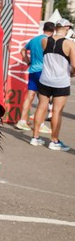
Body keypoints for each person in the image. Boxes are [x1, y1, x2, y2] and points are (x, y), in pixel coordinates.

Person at [30, 18, 75, 151]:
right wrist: (72, 73)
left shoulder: (45, 41)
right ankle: (54, 140)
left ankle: (35, 137)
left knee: (41, 107)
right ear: (66, 28)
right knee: (57, 111)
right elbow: (74, 65)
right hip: (61, 81)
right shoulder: (70, 44)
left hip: (45, 79)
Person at [16, 21, 55, 131]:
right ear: (53, 31)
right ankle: (40, 124)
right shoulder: (49, 41)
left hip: (33, 70)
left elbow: (23, 50)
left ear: (44, 29)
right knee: (44, 99)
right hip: (44, 71)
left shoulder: (34, 40)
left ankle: (22, 121)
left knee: (30, 96)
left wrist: (27, 61)